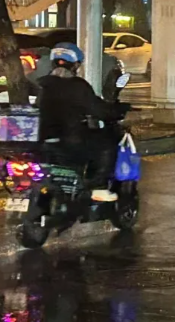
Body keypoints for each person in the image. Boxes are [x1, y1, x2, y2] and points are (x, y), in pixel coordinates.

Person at [37, 43, 129, 202]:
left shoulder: (43, 84)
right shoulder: (77, 86)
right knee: (107, 144)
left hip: (43, 139)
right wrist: (118, 110)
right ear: (75, 65)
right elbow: (100, 110)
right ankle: (98, 187)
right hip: (71, 140)